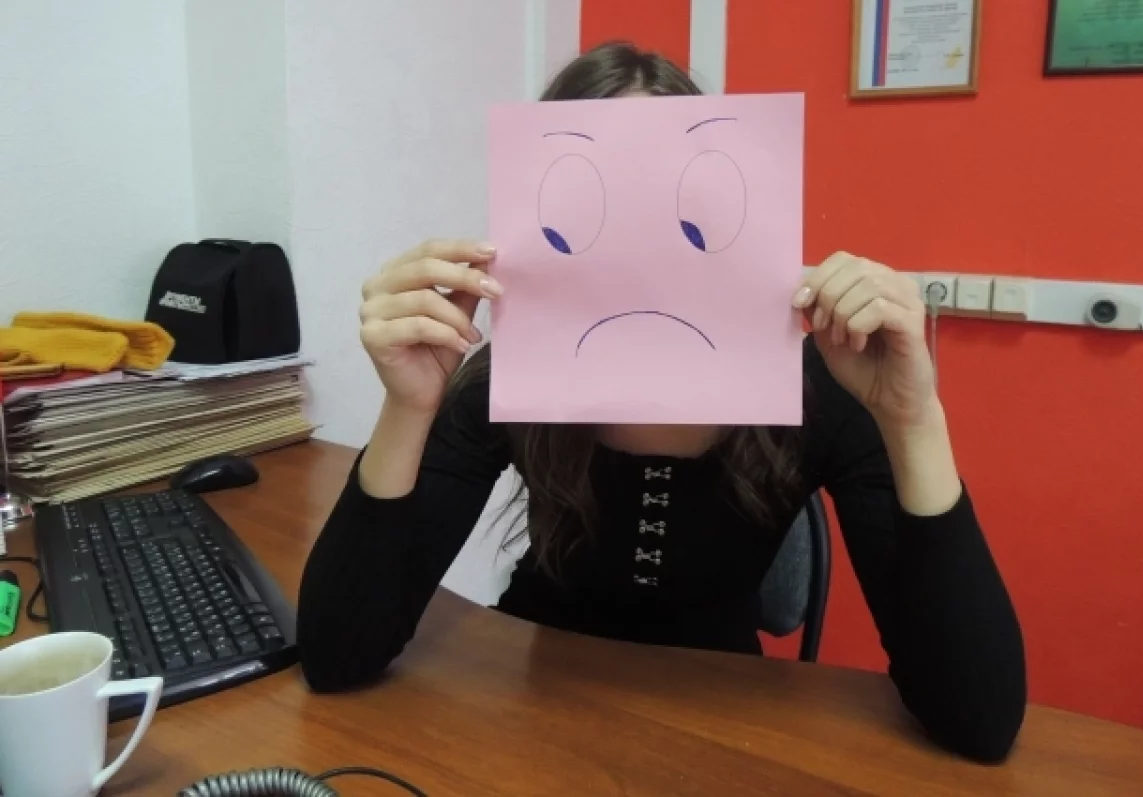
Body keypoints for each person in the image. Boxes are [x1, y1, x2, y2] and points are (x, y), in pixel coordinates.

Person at [297, 42, 1026, 763]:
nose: (636, 248)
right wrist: (408, 407)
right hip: (529, 709)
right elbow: (337, 655)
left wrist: (914, 419)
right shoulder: (509, 381)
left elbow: (978, 719)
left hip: (720, 727)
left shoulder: (821, 390)